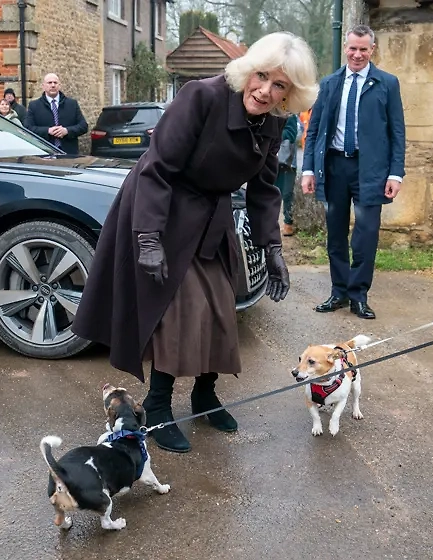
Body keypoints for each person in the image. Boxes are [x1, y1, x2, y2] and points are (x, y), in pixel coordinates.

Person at [72, 32, 319, 454]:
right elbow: (157, 167)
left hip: (210, 214)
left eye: (280, 85)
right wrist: (148, 237)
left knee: (223, 306)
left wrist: (272, 248)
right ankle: (158, 406)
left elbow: (263, 188)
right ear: (248, 70)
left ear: (290, 93)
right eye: (262, 77)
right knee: (180, 310)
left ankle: (206, 396)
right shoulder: (200, 96)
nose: (265, 91)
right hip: (161, 208)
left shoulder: (275, 120)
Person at [301, 24, 406, 320]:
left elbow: (397, 132)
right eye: (352, 48)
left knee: (366, 233)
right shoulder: (330, 83)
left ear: (372, 49)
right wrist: (309, 169)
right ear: (345, 48)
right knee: (335, 233)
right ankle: (339, 292)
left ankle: (359, 295)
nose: (357, 54)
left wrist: (395, 174)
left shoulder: (387, 83)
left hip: (370, 170)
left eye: (363, 49)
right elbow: (314, 131)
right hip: (335, 167)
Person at [22, 73, 88, 155]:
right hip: (44, 153)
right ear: (43, 86)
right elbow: (27, 128)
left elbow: (83, 126)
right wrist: (47, 131)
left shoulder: (72, 104)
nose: (53, 85)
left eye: (55, 83)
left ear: (59, 85)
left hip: (69, 153)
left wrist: (66, 131)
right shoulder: (34, 105)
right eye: (49, 83)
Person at [274, 113, 299, 236]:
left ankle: (288, 222)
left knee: (287, 193)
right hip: (269, 160)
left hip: (287, 161)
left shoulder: (290, 113)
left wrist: (275, 133)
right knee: (270, 192)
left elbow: (292, 134)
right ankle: (270, 223)